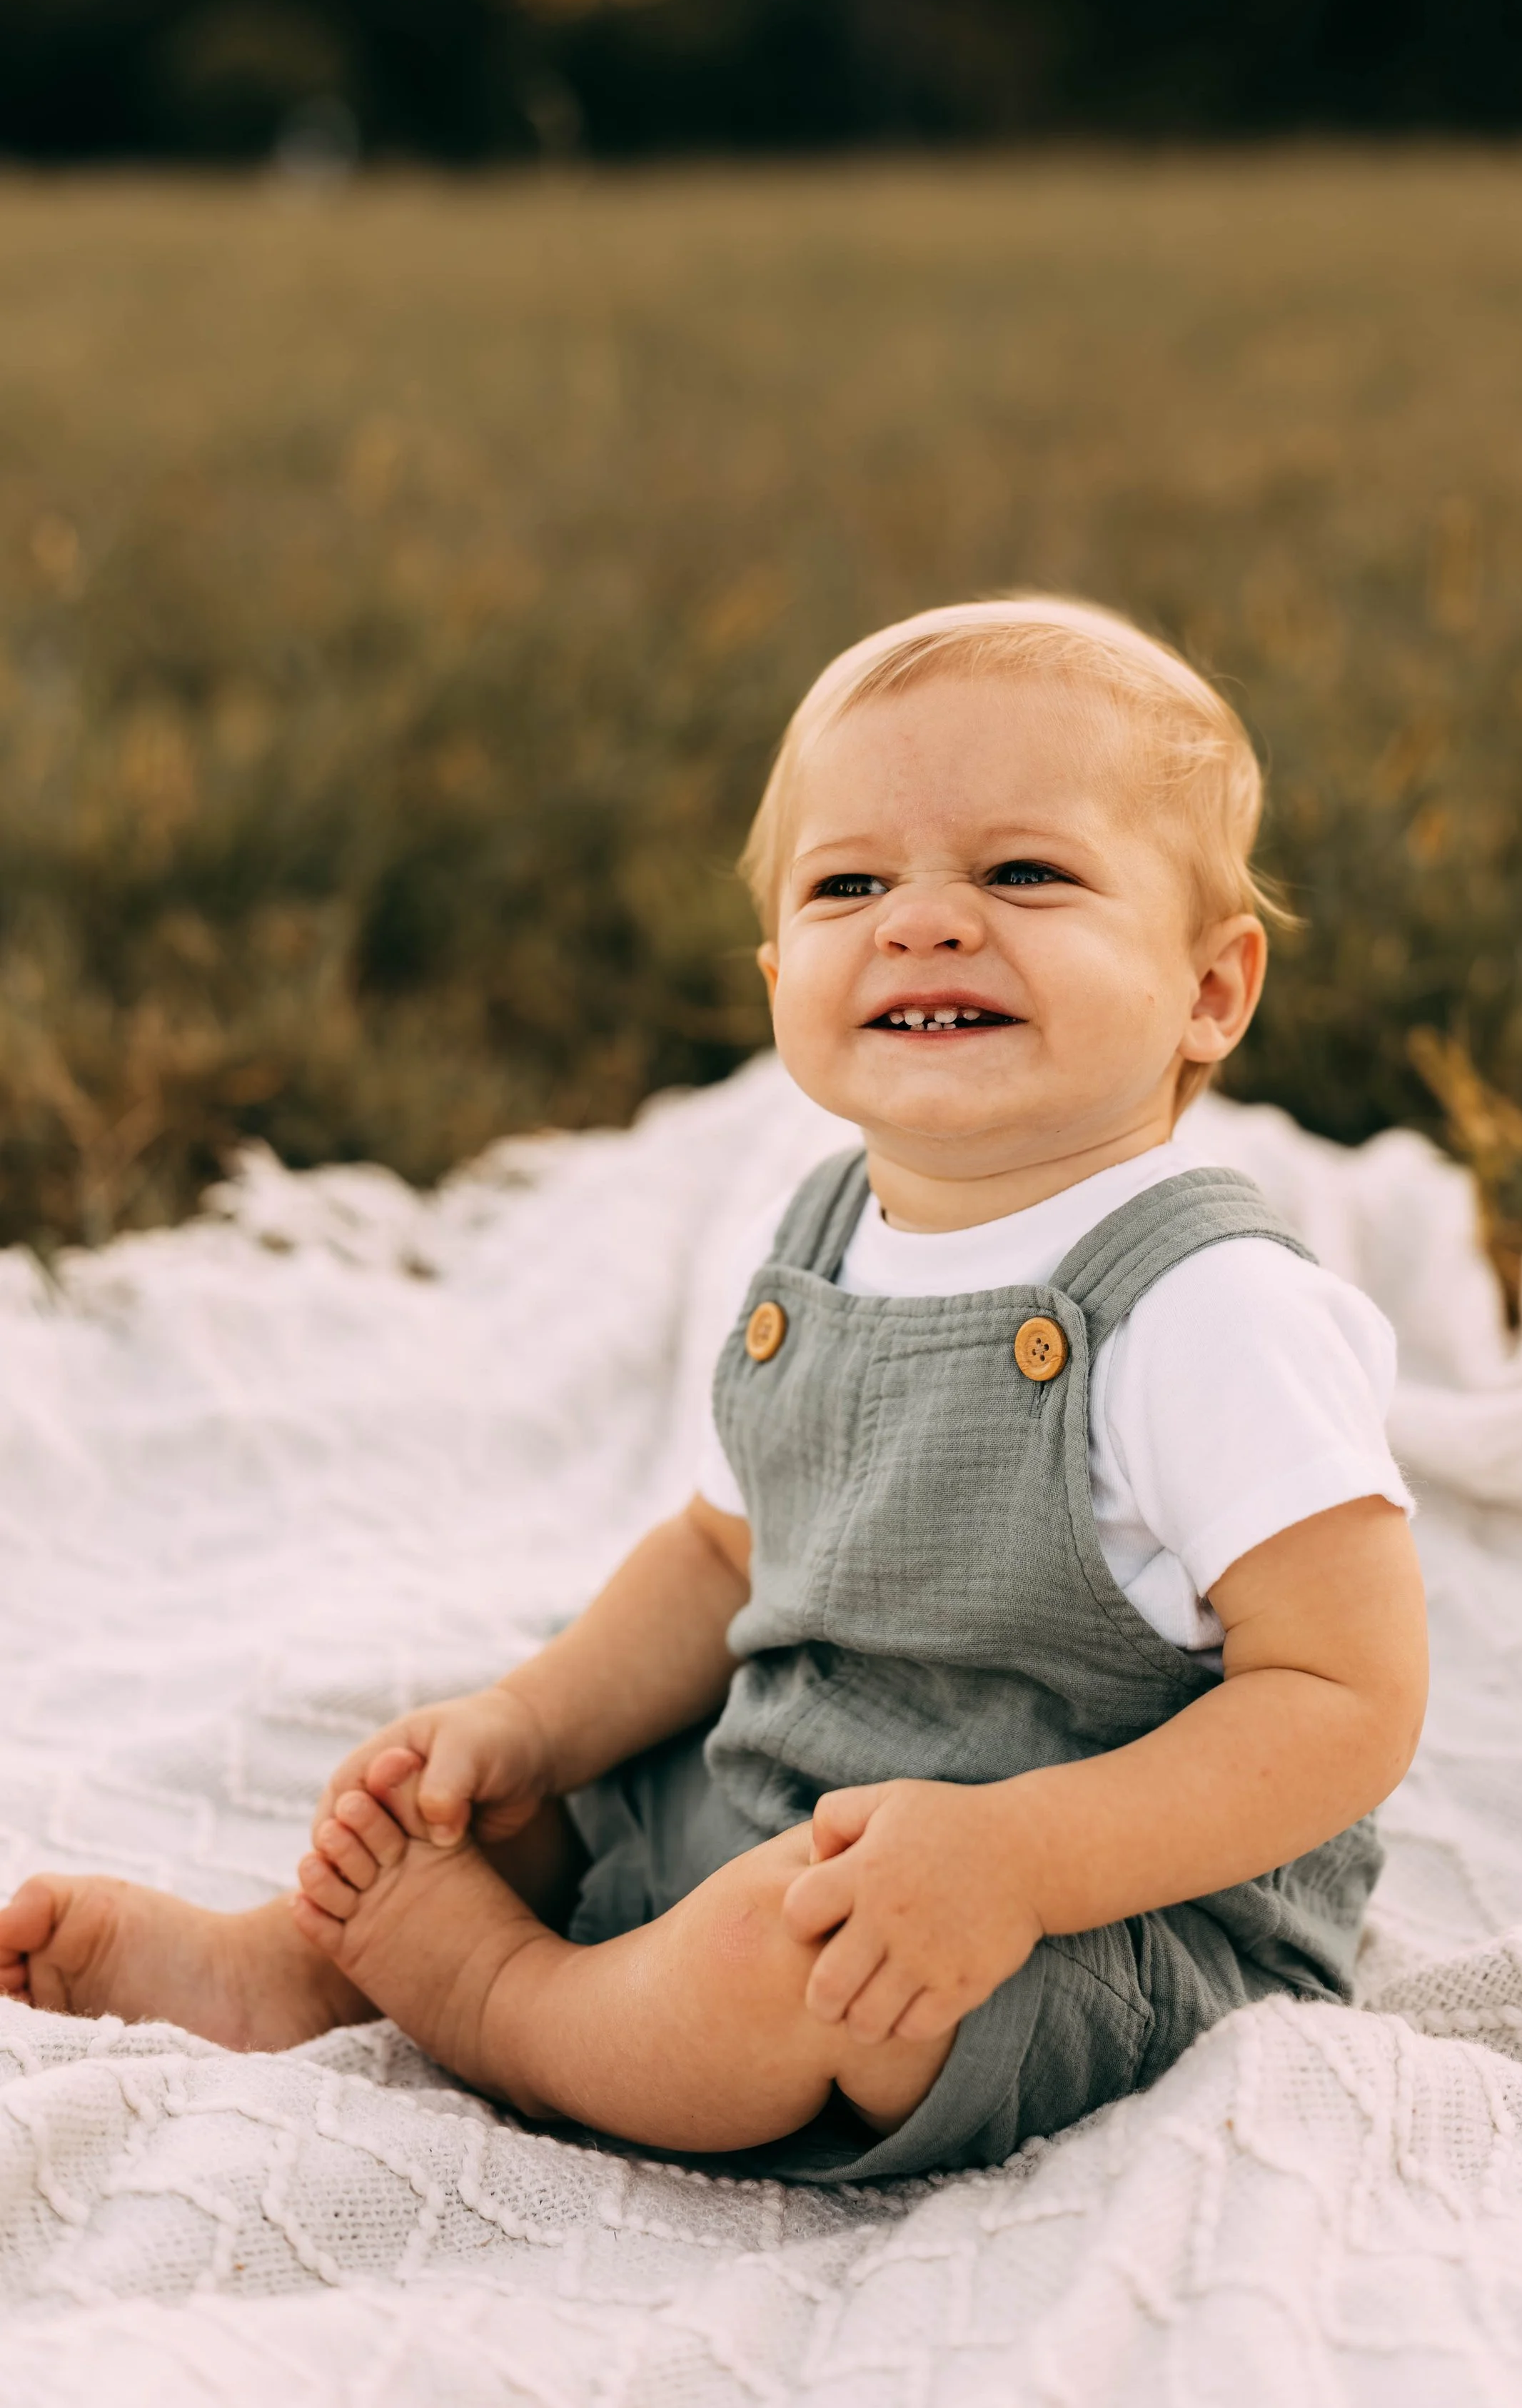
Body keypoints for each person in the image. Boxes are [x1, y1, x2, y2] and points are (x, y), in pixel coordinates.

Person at [0, 595, 1426, 2180]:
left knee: (792, 1946)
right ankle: (296, 1967)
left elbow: (1342, 1699)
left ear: (1210, 991)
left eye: (1022, 871)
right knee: (479, 1803)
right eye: (849, 883)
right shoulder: (811, 1241)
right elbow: (723, 1558)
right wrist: (526, 1728)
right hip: (784, 1788)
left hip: (1079, 1927)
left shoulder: (1206, 1306)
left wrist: (1019, 1858)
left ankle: (507, 2007)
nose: (925, 920)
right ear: (775, 974)